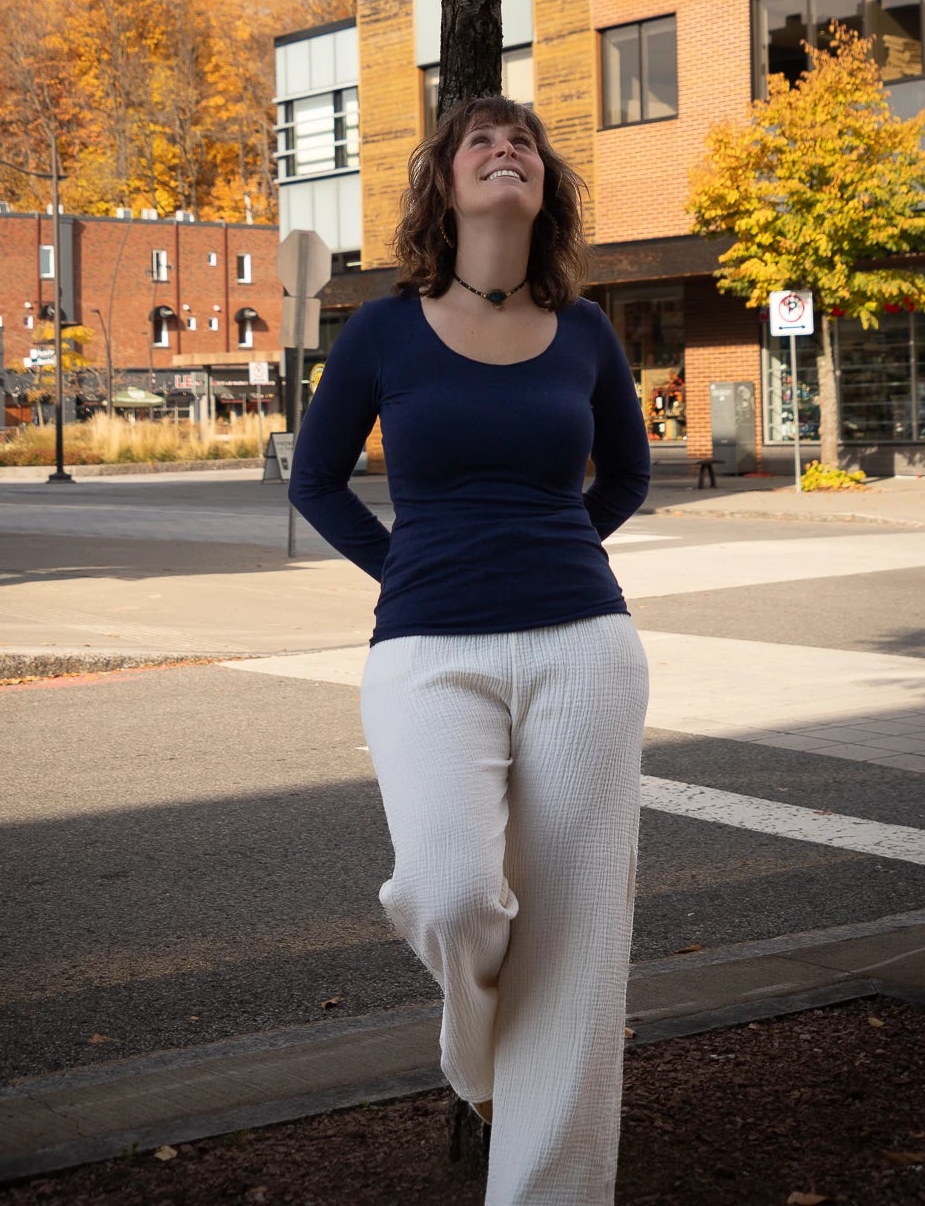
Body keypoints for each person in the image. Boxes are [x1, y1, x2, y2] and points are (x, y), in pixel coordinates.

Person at [290, 95, 650, 1206]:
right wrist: (408, 567)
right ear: (443, 183)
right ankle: (475, 1053)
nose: (506, 149)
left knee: (579, 935)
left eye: (523, 141)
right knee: (448, 891)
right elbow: (313, 478)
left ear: (543, 184)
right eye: (479, 141)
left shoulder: (584, 331)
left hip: (583, 642)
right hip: (425, 647)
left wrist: (546, 554)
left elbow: (626, 476)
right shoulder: (383, 328)